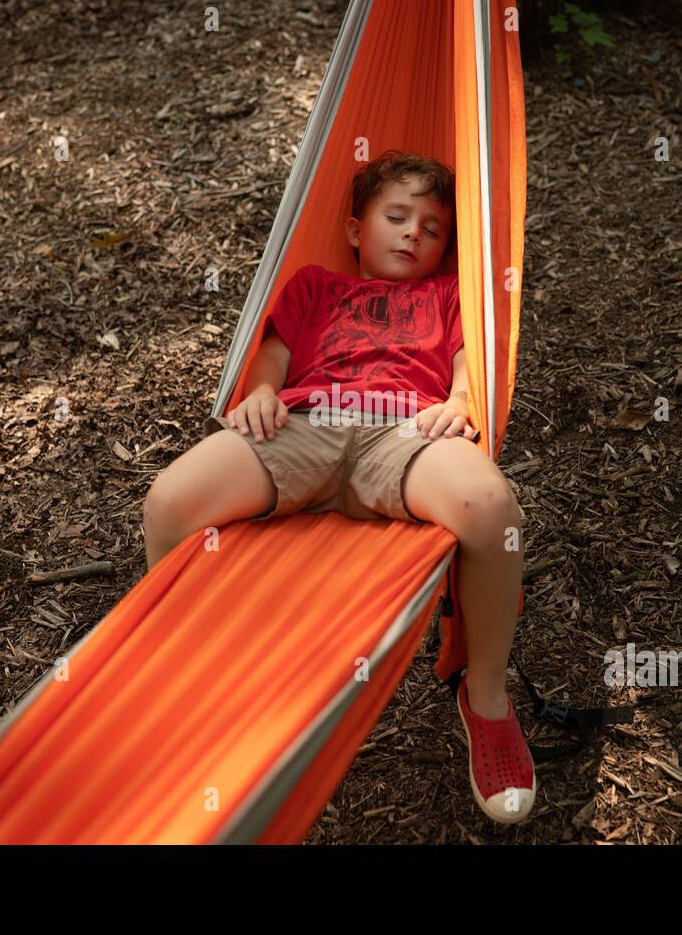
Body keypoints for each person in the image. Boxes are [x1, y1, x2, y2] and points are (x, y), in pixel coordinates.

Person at [143, 150, 535, 824]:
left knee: (491, 507)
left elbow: (471, 360)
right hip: (306, 424)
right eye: (397, 216)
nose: (414, 232)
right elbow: (274, 358)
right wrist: (262, 393)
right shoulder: (313, 285)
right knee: (169, 501)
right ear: (357, 229)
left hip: (403, 434)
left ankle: (488, 697)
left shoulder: (448, 295)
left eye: (433, 228)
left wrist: (464, 398)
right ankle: (194, 674)